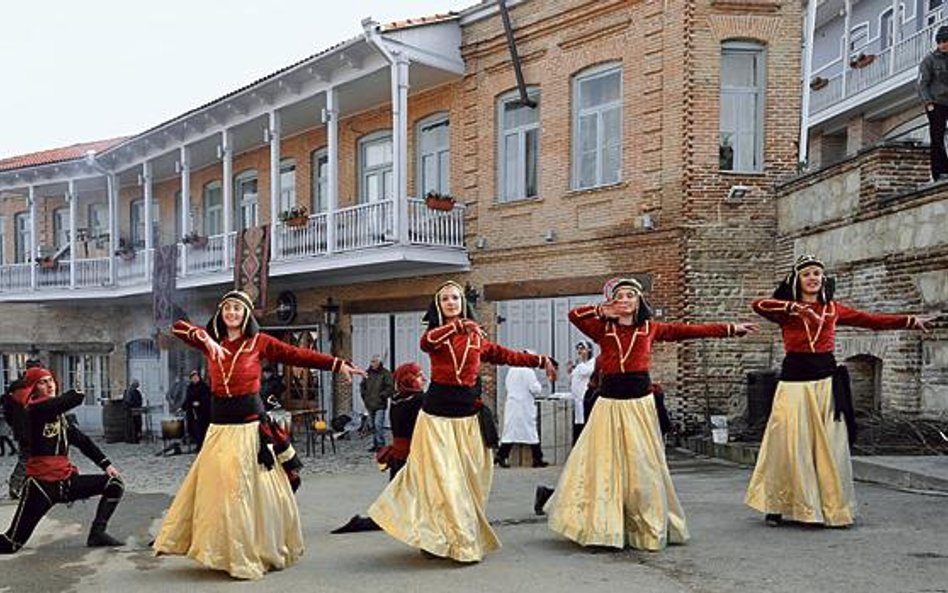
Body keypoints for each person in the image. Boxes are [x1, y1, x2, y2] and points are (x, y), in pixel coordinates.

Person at [152, 289, 365, 580]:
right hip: (219, 428)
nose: (232, 314)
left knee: (245, 490)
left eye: (238, 309)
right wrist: (205, 339)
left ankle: (251, 549)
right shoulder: (211, 340)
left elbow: (297, 354)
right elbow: (177, 327)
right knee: (217, 488)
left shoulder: (259, 342)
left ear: (247, 315)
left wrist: (337, 364)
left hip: (249, 427)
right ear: (221, 313)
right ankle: (222, 549)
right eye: (227, 308)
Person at [541, 277, 757, 551]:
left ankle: (645, 526)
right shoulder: (602, 329)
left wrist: (728, 329)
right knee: (603, 465)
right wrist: (600, 310)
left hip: (639, 404)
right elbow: (574, 315)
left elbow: (687, 331)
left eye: (631, 295)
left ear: (639, 301)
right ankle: (603, 528)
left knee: (643, 465)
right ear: (611, 301)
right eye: (619, 295)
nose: (625, 300)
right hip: (609, 404)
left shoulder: (649, 328)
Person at [368, 280, 557, 563]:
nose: (451, 302)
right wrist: (458, 326)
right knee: (441, 481)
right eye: (445, 299)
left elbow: (505, 355)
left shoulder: (477, 338)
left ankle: (457, 532)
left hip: (467, 417)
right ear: (439, 305)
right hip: (436, 418)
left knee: (469, 481)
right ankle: (435, 537)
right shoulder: (436, 334)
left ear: (463, 303)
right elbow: (426, 342)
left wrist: (540, 360)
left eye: (455, 298)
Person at [745, 255, 934, 528]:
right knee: (788, 442)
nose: (813, 278)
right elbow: (758, 305)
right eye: (807, 274)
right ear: (797, 279)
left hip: (825, 382)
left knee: (827, 446)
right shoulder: (786, 310)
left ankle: (830, 506)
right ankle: (778, 504)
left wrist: (909, 320)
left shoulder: (833, 309)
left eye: (817, 274)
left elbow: (870, 320)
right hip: (794, 382)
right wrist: (796, 309)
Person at [0, 367, 125, 553]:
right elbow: (74, 398)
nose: (49, 384)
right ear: (33, 388)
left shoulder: (58, 416)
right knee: (11, 544)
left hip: (66, 481)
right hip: (41, 486)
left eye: (50, 379)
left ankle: (97, 534)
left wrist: (106, 464)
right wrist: (80, 383)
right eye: (42, 382)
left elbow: (83, 442)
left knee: (114, 484)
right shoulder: (34, 410)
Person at [330, 362, 427, 535]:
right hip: (409, 458)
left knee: (397, 504)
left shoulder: (398, 399)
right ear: (409, 380)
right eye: (420, 377)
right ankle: (364, 523)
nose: (424, 379)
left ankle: (365, 523)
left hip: (400, 457)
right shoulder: (418, 400)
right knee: (401, 506)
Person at [496, 362, 548, 468]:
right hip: (524, 405)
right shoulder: (529, 372)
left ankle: (501, 455)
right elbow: (535, 389)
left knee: (510, 432)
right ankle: (537, 459)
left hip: (512, 404)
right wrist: (540, 386)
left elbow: (507, 385)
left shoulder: (511, 371)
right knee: (531, 432)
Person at [917, 25, 948, 182]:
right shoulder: (929, 60)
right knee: (937, 137)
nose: (943, 44)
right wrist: (928, 103)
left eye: (946, 41)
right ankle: (940, 171)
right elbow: (922, 83)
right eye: (941, 41)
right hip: (936, 103)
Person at [361, 355, 394, 452]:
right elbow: (362, 386)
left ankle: (381, 445)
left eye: (374, 361)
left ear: (379, 362)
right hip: (369, 404)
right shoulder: (367, 373)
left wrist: (382, 396)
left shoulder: (385, 374)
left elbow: (390, 387)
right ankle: (375, 444)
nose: (372, 363)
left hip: (380, 404)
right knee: (373, 426)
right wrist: (365, 397)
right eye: (371, 361)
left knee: (378, 424)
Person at [568, 341, 596, 443]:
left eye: (582, 349)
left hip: (586, 399)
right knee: (578, 425)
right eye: (578, 349)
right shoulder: (580, 365)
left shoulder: (592, 363)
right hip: (577, 400)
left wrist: (579, 365)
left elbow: (587, 372)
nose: (580, 351)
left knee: (585, 424)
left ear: (589, 350)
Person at [181, 370, 211, 452]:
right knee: (194, 430)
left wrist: (200, 403)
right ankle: (197, 445)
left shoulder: (204, 387)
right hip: (192, 412)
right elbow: (188, 399)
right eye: (193, 377)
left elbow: (207, 399)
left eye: (196, 377)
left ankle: (202, 446)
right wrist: (183, 407)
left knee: (201, 430)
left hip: (202, 413)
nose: (195, 379)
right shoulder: (190, 387)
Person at [122, 379, 144, 444]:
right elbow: (128, 401)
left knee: (137, 425)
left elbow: (139, 400)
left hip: (135, 410)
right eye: (136, 385)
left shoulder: (136, 392)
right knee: (133, 426)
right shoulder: (129, 391)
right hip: (131, 411)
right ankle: (132, 439)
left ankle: (135, 438)